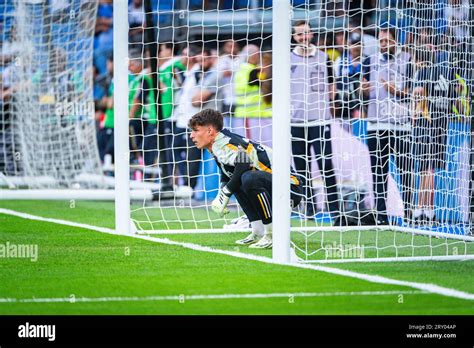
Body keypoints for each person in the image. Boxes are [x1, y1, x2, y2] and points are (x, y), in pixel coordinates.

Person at [189, 109, 302, 249]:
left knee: (248, 177)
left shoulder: (228, 143)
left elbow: (244, 162)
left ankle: (273, 234)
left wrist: (226, 192)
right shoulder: (217, 144)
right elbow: (228, 173)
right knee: (238, 179)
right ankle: (258, 231)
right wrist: (222, 193)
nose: (191, 135)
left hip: (290, 188)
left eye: (195, 130)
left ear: (210, 131)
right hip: (273, 184)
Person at [361, 26, 414, 224]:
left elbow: (411, 92)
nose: (383, 45)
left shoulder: (408, 60)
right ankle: (382, 217)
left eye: (387, 41)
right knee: (379, 172)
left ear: (395, 41)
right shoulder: (369, 61)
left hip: (400, 125)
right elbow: (363, 92)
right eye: (381, 41)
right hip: (376, 125)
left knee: (405, 171)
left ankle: (409, 214)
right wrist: (363, 90)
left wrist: (394, 90)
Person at [290, 20, 341, 220]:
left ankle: (335, 209)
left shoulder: (324, 57)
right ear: (294, 37)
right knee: (302, 167)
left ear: (312, 35)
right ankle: (309, 207)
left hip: (320, 120)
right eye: (299, 34)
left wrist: (331, 104)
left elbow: (331, 85)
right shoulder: (286, 59)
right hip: (295, 122)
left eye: (306, 33)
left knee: (325, 164)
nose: (303, 37)